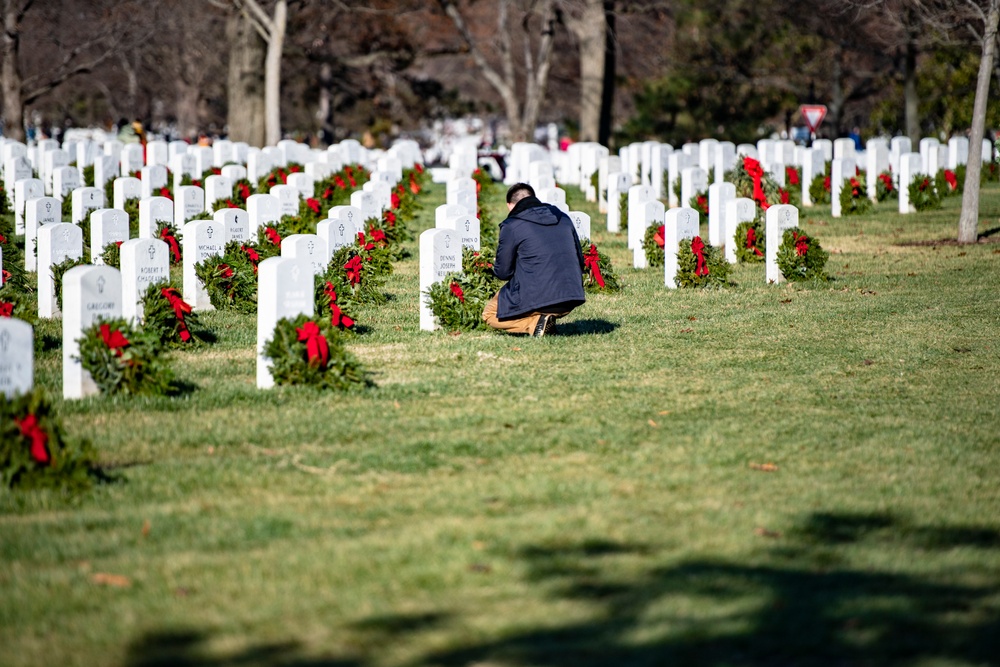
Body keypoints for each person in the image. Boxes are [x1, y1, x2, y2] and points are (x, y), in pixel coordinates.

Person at [482, 183, 586, 337]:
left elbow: (503, 272)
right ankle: (544, 321)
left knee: (489, 314)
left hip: (541, 298)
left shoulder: (512, 225)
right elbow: (580, 259)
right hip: (571, 296)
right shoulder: (563, 217)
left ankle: (534, 324)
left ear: (509, 206)